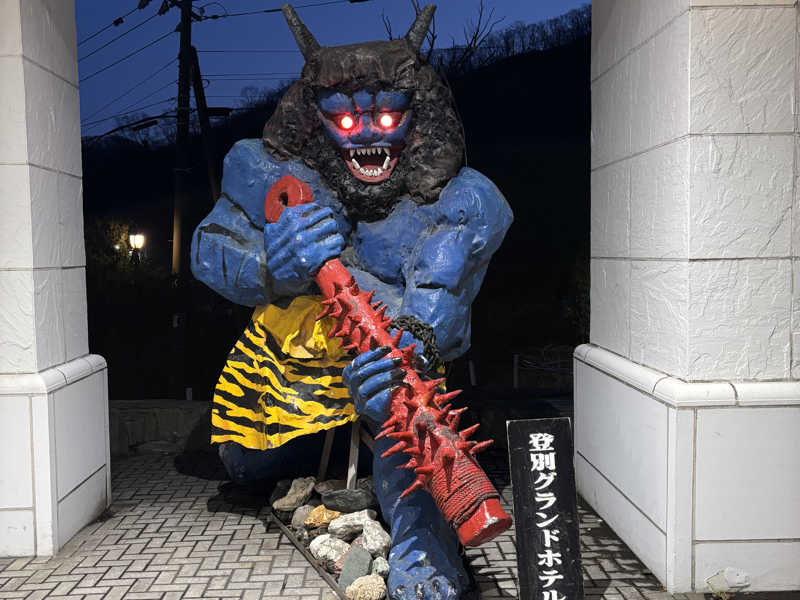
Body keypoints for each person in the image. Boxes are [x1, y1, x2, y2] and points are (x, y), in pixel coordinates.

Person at [190, 5, 512, 598]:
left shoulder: (461, 201)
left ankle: (423, 542)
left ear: (420, 116)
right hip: (284, 373)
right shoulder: (263, 173)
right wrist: (271, 268)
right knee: (244, 462)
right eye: (344, 119)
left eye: (387, 116)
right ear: (314, 120)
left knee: (397, 393)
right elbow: (208, 250)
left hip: (386, 366)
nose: (367, 134)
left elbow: (440, 299)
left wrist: (410, 349)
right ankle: (319, 471)